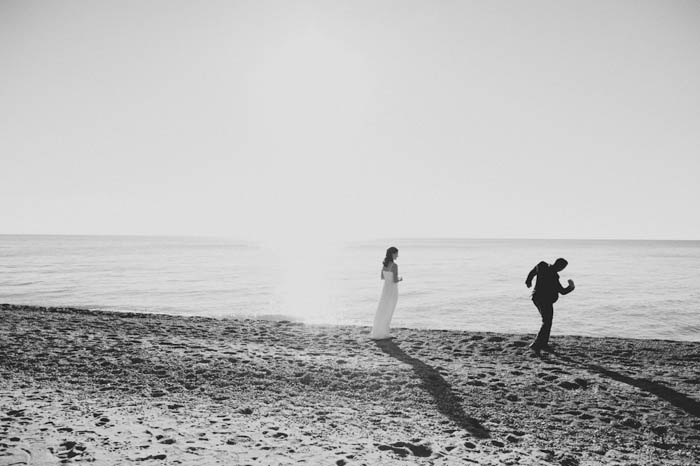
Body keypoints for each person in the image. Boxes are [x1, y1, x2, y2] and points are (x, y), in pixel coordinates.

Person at [525, 258, 575, 354]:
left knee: (547, 321)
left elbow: (533, 272)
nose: (562, 269)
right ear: (560, 266)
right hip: (543, 300)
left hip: (538, 298)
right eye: (563, 267)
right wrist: (571, 287)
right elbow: (563, 291)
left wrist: (528, 281)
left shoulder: (542, 265)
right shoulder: (553, 275)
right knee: (547, 321)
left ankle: (543, 344)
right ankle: (536, 344)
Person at [370, 246, 402, 340]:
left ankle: (380, 331)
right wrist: (400, 279)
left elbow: (382, 277)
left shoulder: (384, 265)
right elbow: (395, 280)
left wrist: (389, 277)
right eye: (396, 253)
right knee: (389, 310)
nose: (398, 255)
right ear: (393, 254)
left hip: (385, 289)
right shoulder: (394, 265)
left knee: (383, 309)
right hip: (392, 289)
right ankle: (384, 332)